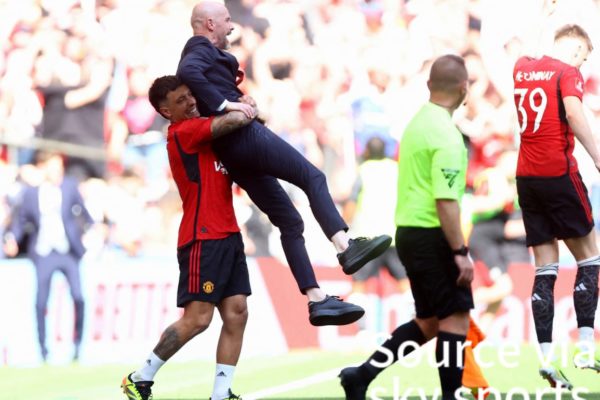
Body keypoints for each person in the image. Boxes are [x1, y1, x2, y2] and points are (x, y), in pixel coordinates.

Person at [176, 1, 392, 327]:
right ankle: (345, 246)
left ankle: (317, 300)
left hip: (232, 152)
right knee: (313, 177)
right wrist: (227, 104)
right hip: (244, 137)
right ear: (208, 23)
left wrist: (238, 99)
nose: (232, 26)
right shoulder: (197, 48)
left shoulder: (206, 53)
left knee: (290, 222)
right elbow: (189, 73)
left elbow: (207, 82)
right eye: (226, 20)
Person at [339, 54, 474, 400]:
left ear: (430, 86)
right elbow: (446, 201)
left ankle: (361, 376)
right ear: (465, 88)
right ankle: (450, 396)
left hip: (408, 233)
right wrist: (460, 252)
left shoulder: (416, 123)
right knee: (455, 319)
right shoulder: (447, 134)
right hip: (432, 233)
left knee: (429, 321)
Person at [121, 75, 256, 400]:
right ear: (167, 112)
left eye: (190, 95)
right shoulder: (183, 133)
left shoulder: (203, 127)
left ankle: (221, 394)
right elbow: (236, 119)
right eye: (180, 101)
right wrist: (247, 106)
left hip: (228, 234)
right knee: (198, 319)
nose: (190, 102)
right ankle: (139, 377)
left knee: (237, 312)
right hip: (202, 238)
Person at [513, 24, 600, 388]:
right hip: (559, 174)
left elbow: (535, 49)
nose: (583, 64)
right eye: (583, 55)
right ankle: (583, 347)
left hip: (526, 178)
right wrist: (598, 156)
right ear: (575, 48)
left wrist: (544, 14)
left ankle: (547, 358)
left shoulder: (521, 67)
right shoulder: (567, 73)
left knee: (545, 268)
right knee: (590, 257)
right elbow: (575, 114)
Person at [3, 151, 94, 362]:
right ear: (43, 168)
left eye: (59, 168)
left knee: (79, 297)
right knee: (41, 302)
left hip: (68, 251)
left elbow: (85, 214)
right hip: (44, 253)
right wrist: (12, 239)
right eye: (52, 168)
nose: (56, 173)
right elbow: (20, 221)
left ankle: (78, 346)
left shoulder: (70, 187)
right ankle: (43, 351)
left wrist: (92, 231)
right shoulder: (31, 193)